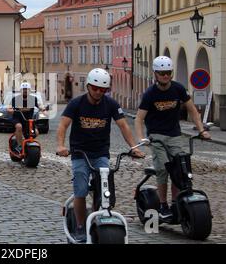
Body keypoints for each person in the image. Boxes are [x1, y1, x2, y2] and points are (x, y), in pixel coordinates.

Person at [56, 68, 145, 242]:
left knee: (105, 185)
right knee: (80, 187)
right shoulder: (76, 104)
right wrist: (60, 145)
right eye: (95, 88)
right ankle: (81, 226)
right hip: (80, 153)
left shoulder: (111, 104)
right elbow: (63, 126)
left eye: (102, 90)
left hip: (100, 152)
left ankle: (101, 215)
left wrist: (134, 147)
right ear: (88, 86)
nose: (98, 92)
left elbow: (123, 126)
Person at [134, 56, 211, 220]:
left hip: (175, 135)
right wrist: (142, 138)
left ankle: (177, 202)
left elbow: (192, 110)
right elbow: (139, 118)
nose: (165, 76)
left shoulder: (178, 89)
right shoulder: (150, 94)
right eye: (162, 73)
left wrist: (201, 130)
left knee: (180, 169)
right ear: (155, 74)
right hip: (157, 136)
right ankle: (162, 204)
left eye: (168, 72)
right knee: (162, 168)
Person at [7, 82, 44, 153]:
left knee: (36, 133)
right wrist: (10, 110)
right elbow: (9, 107)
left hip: (28, 120)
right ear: (21, 90)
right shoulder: (16, 99)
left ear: (29, 90)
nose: (25, 91)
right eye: (23, 89)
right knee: (19, 126)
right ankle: (19, 146)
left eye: (26, 89)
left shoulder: (33, 99)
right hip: (18, 118)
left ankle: (28, 144)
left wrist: (43, 109)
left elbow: (39, 105)